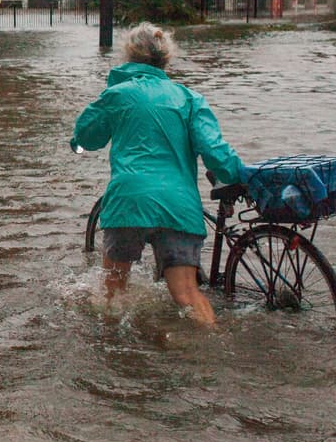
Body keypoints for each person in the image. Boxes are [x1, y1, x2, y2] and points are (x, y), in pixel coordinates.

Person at [71, 22, 245, 327]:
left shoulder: (117, 94)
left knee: (113, 291)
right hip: (178, 207)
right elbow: (215, 152)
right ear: (166, 59)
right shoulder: (189, 98)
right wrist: (240, 175)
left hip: (130, 203)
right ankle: (213, 345)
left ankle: (108, 349)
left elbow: (86, 137)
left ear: (128, 55)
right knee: (187, 293)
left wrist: (78, 141)